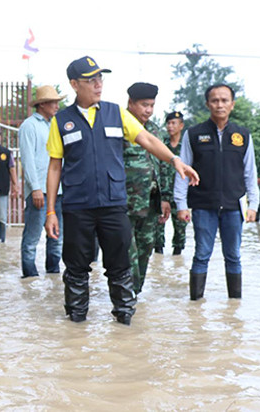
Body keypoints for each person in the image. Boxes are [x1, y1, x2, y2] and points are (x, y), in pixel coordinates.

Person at [45, 56, 199, 325]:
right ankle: (77, 319)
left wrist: (174, 160)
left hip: (114, 204)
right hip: (77, 206)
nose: (98, 84)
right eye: (90, 80)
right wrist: (50, 211)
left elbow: (148, 139)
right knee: (76, 266)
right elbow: (55, 167)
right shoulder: (61, 121)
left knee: (120, 264)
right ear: (74, 84)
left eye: (100, 78)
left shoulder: (116, 113)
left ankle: (124, 318)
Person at [174, 84, 259, 301]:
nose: (219, 105)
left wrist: (253, 205)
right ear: (207, 104)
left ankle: (234, 305)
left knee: (233, 256)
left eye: (224, 100)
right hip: (203, 205)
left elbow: (250, 172)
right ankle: (195, 305)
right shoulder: (193, 134)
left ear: (232, 104)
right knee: (202, 254)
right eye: (214, 100)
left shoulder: (243, 135)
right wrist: (181, 205)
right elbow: (182, 170)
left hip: (233, 206)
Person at [123, 82, 169, 293]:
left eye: (151, 105)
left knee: (146, 248)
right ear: (131, 103)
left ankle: (136, 292)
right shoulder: (119, 128)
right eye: (144, 105)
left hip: (150, 202)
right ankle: (125, 294)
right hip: (125, 203)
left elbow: (162, 165)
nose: (148, 110)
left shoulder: (154, 130)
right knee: (126, 251)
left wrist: (165, 198)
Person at [18, 85, 66, 277]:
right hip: (39, 190)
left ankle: (53, 275)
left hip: (59, 190)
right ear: (42, 104)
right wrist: (35, 188)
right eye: (54, 102)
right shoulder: (29, 126)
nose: (57, 105)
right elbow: (27, 160)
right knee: (32, 237)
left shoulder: (55, 125)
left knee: (57, 237)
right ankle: (29, 277)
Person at [156, 111, 189, 255]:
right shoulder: (161, 145)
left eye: (173, 123)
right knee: (157, 231)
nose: (170, 126)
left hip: (180, 195)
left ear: (181, 125)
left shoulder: (186, 147)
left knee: (180, 230)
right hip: (162, 193)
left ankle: (177, 260)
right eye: (168, 123)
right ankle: (159, 264)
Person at [0, 130, 18, 242]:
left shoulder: (6, 153)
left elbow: (12, 169)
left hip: (2, 189)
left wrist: (15, 185)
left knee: (2, 216)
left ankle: (1, 239)